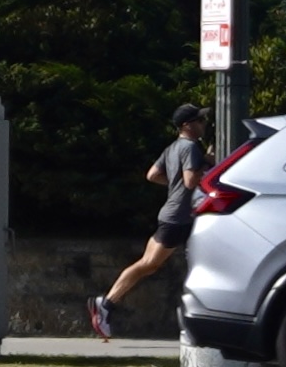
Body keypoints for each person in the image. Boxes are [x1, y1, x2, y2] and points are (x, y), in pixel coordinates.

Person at [92, 112, 215, 343]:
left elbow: (152, 175)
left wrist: (176, 184)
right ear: (187, 125)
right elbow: (190, 181)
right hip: (180, 217)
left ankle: (106, 304)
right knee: (150, 264)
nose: (204, 124)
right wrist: (207, 162)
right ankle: (106, 305)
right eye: (200, 121)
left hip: (172, 214)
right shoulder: (190, 148)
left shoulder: (172, 147)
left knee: (148, 265)